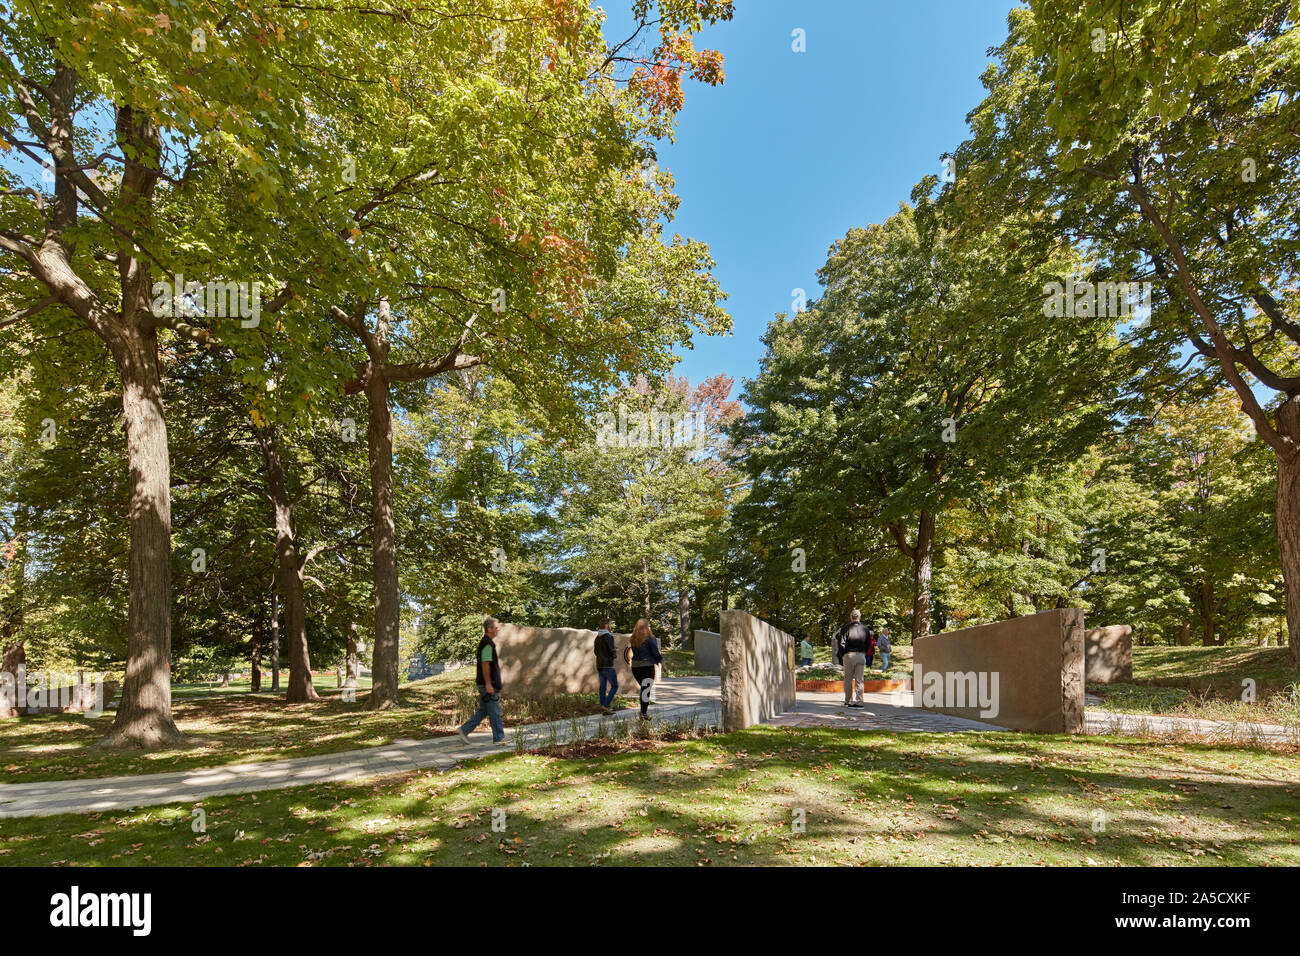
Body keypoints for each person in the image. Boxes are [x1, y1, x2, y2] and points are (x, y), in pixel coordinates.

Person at [457, 616, 508, 745]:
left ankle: (464, 730)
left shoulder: (487, 643)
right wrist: (488, 684)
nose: (497, 630)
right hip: (488, 685)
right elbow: (485, 664)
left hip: (485, 684)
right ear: (489, 629)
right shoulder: (487, 644)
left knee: (484, 710)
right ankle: (499, 738)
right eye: (496, 628)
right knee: (495, 712)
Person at [625, 618, 663, 720]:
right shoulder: (650, 638)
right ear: (646, 627)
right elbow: (656, 653)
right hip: (647, 667)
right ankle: (643, 713)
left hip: (636, 668)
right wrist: (663, 664)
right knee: (646, 690)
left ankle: (643, 712)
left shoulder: (633, 638)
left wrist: (629, 660)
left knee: (644, 689)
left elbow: (628, 651)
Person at [835, 609, 870, 707]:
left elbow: (841, 643)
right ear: (859, 617)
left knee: (848, 679)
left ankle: (848, 701)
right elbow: (869, 644)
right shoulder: (865, 629)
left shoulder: (846, 628)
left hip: (849, 655)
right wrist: (864, 653)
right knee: (860, 680)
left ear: (851, 617)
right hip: (861, 655)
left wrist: (842, 654)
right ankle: (860, 701)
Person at [594, 616, 619, 714]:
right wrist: (614, 654)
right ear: (606, 625)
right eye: (610, 624)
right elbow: (611, 650)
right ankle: (606, 704)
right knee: (615, 686)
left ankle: (603, 705)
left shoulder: (597, 637)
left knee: (603, 686)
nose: (611, 626)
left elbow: (596, 651)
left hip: (599, 664)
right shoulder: (608, 636)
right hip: (608, 665)